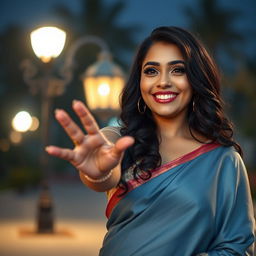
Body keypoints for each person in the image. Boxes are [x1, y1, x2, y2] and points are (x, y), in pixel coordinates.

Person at [46, 26, 255, 255]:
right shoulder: (120, 142)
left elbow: (238, 247)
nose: (163, 81)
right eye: (151, 71)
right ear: (140, 81)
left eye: (177, 70)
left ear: (196, 79)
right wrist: (98, 171)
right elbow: (103, 173)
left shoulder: (223, 160)